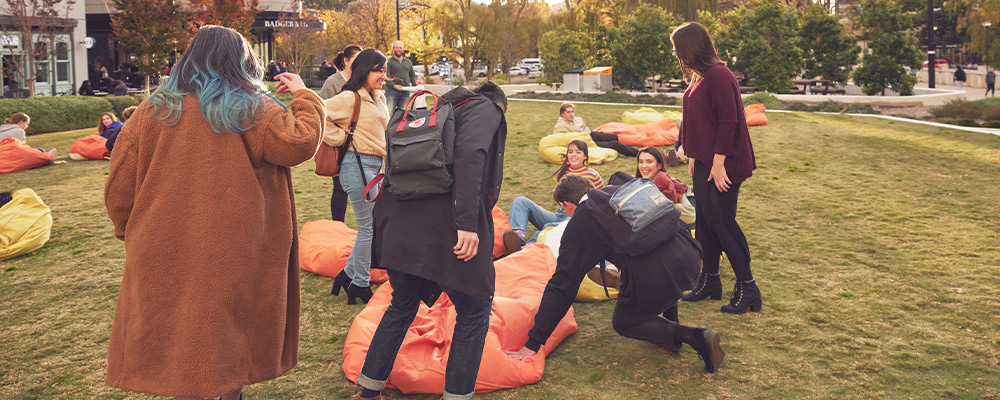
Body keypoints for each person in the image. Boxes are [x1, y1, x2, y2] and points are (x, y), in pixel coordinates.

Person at [103, 25, 326, 400]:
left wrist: (132, 230)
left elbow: (118, 189)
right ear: (241, 61)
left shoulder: (152, 109)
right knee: (227, 338)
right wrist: (304, 94)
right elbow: (300, 141)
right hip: (236, 247)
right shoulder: (253, 106)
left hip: (163, 243)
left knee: (182, 342)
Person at [355, 81, 508, 400]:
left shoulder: (436, 111)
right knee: (476, 309)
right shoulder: (485, 107)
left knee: (402, 303)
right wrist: (467, 224)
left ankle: (368, 392)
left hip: (396, 223)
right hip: (443, 228)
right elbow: (471, 155)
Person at [503, 175, 725, 374]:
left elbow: (561, 287)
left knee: (624, 320)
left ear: (566, 205)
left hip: (660, 274)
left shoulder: (582, 220)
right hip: (691, 254)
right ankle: (670, 334)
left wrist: (533, 343)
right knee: (645, 269)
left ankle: (695, 337)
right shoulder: (616, 192)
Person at [672, 22, 761, 314]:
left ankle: (748, 287)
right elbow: (699, 119)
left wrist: (720, 163)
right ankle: (710, 280)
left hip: (725, 162)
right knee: (706, 225)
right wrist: (695, 155)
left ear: (691, 48)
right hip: (706, 161)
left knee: (722, 224)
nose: (675, 53)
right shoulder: (699, 77)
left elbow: (729, 121)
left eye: (677, 48)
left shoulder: (720, 75)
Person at [324, 49, 390, 304]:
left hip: (374, 165)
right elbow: (319, 111)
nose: (383, 75)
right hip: (356, 164)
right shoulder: (349, 98)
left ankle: (347, 274)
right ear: (364, 70)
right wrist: (340, 138)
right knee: (368, 228)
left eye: (384, 70)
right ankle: (359, 283)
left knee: (372, 226)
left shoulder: (379, 96)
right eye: (378, 70)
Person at [503, 140, 604, 253]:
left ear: (585, 156)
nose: (573, 155)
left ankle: (528, 249)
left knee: (549, 227)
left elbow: (600, 198)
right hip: (560, 212)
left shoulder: (593, 175)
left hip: (575, 215)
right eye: (570, 152)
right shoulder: (562, 173)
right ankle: (517, 236)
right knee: (520, 201)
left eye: (578, 152)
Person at [318, 45, 363, 224]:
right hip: (339, 143)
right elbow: (322, 112)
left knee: (359, 185)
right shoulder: (333, 82)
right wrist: (339, 136)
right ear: (345, 60)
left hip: (358, 142)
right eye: (356, 60)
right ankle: (338, 227)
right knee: (340, 187)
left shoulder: (361, 81)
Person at [609, 147, 696, 225]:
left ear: (659, 165)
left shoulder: (665, 181)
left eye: (649, 162)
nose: (644, 166)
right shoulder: (636, 181)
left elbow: (691, 216)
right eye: (640, 162)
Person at [384, 41, 416, 111]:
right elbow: (386, 76)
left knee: (403, 113)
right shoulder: (389, 62)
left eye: (400, 48)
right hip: (391, 91)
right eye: (397, 48)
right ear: (393, 49)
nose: (399, 49)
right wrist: (394, 86)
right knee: (389, 112)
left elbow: (412, 76)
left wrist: (415, 87)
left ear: (403, 49)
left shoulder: (408, 62)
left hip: (405, 91)